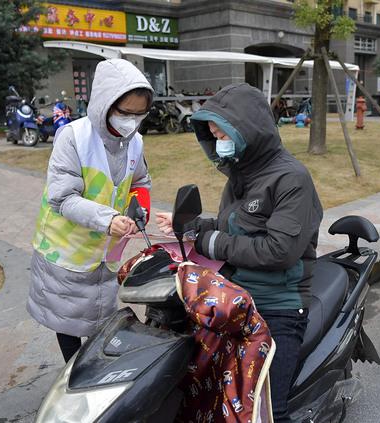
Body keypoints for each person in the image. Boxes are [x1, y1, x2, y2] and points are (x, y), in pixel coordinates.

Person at [156, 83, 323, 422]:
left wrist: (209, 241)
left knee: (267, 409)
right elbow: (229, 225)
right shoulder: (240, 175)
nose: (219, 141)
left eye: (223, 133)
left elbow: (278, 251)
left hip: (278, 305)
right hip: (234, 297)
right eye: (214, 135)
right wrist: (189, 227)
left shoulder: (292, 179)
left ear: (248, 129)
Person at [27, 58, 154, 363]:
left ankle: (94, 368)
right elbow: (63, 198)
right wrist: (108, 219)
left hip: (105, 249)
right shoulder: (73, 137)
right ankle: (72, 372)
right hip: (66, 249)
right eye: (125, 113)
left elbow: (141, 181)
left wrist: (140, 208)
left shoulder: (134, 141)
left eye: (139, 115)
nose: (131, 121)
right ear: (104, 104)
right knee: (67, 319)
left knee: (100, 314)